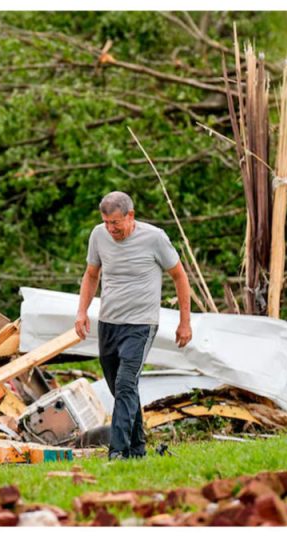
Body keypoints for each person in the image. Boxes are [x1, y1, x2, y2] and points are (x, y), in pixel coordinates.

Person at [75, 191, 193, 460]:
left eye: (115, 223)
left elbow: (179, 276)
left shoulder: (155, 238)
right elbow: (91, 275)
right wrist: (82, 312)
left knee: (126, 383)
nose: (110, 229)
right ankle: (137, 449)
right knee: (120, 389)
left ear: (131, 216)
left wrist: (184, 322)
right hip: (109, 323)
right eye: (106, 222)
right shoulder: (98, 236)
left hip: (141, 324)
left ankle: (118, 452)